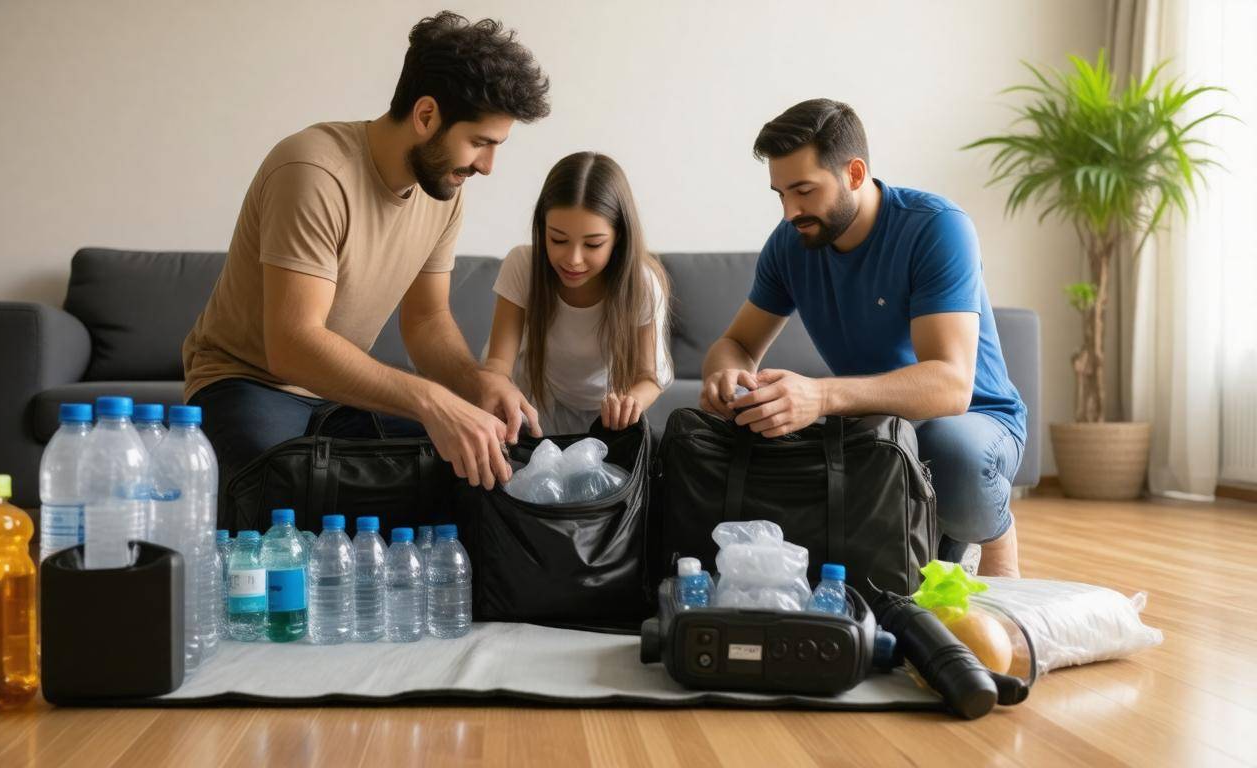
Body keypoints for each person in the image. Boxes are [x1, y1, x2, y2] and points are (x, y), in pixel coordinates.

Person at [181, 12, 551, 506]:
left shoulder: (442, 190)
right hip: (247, 383)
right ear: (426, 116)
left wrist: (477, 384)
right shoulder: (314, 171)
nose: (487, 165)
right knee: (280, 489)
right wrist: (432, 400)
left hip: (338, 396)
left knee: (477, 466)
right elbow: (292, 346)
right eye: (480, 142)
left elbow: (427, 320)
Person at [700, 99, 1027, 576]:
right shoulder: (790, 243)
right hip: (877, 427)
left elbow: (952, 387)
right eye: (780, 194)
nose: (790, 211)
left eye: (804, 190)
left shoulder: (936, 227)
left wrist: (821, 395)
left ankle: (993, 534)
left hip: (974, 420)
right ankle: (942, 542)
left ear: (854, 173)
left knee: (948, 448)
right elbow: (738, 345)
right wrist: (726, 376)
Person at [483, 152, 672, 435]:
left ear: (618, 236)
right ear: (542, 227)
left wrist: (630, 403)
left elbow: (648, 378)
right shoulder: (522, 265)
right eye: (557, 239)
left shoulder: (642, 283)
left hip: (605, 413)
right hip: (535, 400)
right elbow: (498, 363)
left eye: (593, 245)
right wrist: (497, 388)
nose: (573, 259)